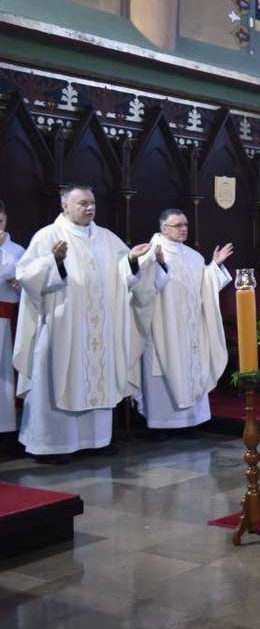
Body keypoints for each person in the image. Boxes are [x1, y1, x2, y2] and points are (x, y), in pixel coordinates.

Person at [14, 185, 159, 464]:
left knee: (98, 374)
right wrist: (54, 261)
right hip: (62, 326)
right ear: (65, 206)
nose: (90, 207)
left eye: (92, 202)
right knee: (57, 378)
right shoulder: (48, 236)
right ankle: (53, 445)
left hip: (100, 330)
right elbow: (27, 277)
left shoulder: (107, 238)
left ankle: (96, 440)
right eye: (82, 203)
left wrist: (131, 260)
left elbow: (124, 277)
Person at [134, 210, 233, 437]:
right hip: (163, 327)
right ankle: (160, 424)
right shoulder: (151, 252)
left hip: (190, 329)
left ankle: (190, 422)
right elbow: (141, 289)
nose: (183, 229)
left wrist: (214, 266)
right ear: (164, 228)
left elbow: (205, 287)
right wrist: (159, 266)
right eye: (177, 225)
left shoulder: (193, 256)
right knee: (162, 368)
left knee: (191, 369)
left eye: (185, 224)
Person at [0, 200, 25, 438]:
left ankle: (7, 430)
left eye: (0, 221)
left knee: (6, 377)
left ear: (6, 218)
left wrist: (21, 284)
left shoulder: (18, 251)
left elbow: (30, 284)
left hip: (7, 322)